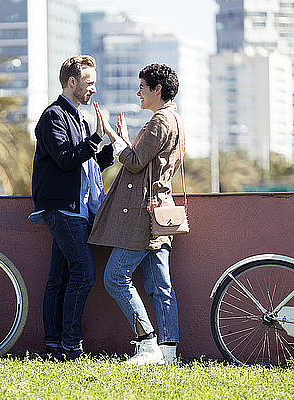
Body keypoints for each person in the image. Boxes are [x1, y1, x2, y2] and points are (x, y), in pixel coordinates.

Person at [88, 63, 184, 365]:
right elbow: (145, 161)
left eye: (142, 87)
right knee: (160, 284)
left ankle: (147, 343)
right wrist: (126, 140)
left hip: (142, 214)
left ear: (157, 89)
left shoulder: (159, 121)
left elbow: (133, 162)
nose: (138, 92)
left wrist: (113, 137)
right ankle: (168, 351)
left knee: (115, 277)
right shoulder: (175, 119)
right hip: (160, 211)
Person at [30, 55, 114, 360]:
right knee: (84, 271)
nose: (93, 89)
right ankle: (71, 343)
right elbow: (66, 158)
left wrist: (108, 150)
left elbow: (85, 166)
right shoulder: (53, 116)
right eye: (89, 83)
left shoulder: (78, 117)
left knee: (60, 276)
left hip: (77, 208)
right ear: (72, 82)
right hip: (63, 210)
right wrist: (94, 139)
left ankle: (54, 343)